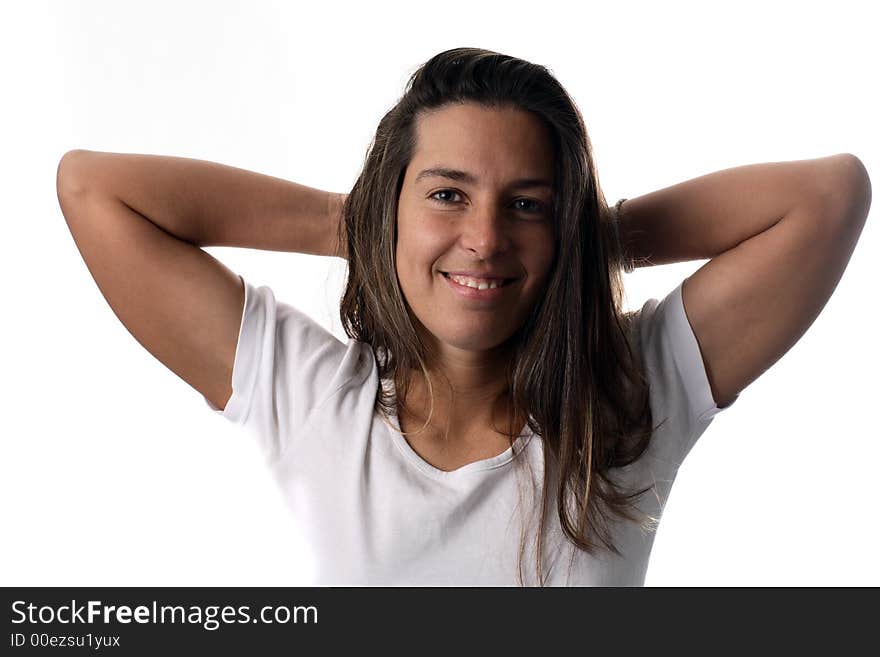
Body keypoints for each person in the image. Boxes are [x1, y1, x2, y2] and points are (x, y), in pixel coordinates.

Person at [56, 47, 870, 586]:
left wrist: (592, 236)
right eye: (447, 194)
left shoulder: (630, 394)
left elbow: (829, 195)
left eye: (525, 205)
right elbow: (94, 189)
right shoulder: (313, 399)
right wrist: (362, 222)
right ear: (393, 203)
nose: (483, 239)